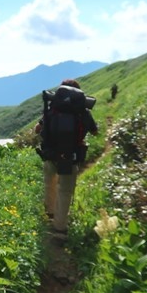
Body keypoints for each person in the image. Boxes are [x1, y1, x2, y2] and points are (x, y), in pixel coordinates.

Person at [35, 79, 98, 239]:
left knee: (50, 183)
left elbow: (38, 129)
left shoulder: (53, 108)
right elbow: (95, 131)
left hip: (50, 155)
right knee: (65, 191)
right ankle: (60, 229)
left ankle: (50, 213)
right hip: (71, 157)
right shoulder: (83, 112)